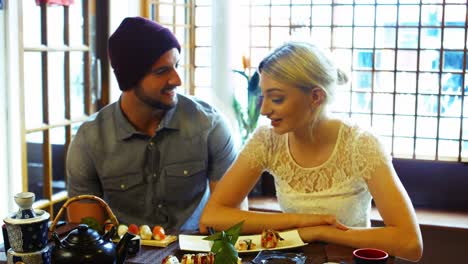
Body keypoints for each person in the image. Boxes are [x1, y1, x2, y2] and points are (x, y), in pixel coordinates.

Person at [200, 42, 423, 261]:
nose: (265, 110)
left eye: (276, 98)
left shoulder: (361, 144)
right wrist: (303, 223)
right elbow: (213, 216)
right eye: (263, 97)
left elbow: (410, 243)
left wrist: (322, 232)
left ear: (316, 96)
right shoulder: (267, 139)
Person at [66, 16, 237, 231]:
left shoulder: (209, 125)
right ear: (130, 78)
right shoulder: (89, 141)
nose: (177, 80)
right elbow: (86, 238)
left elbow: (232, 224)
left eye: (176, 65)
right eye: (162, 71)